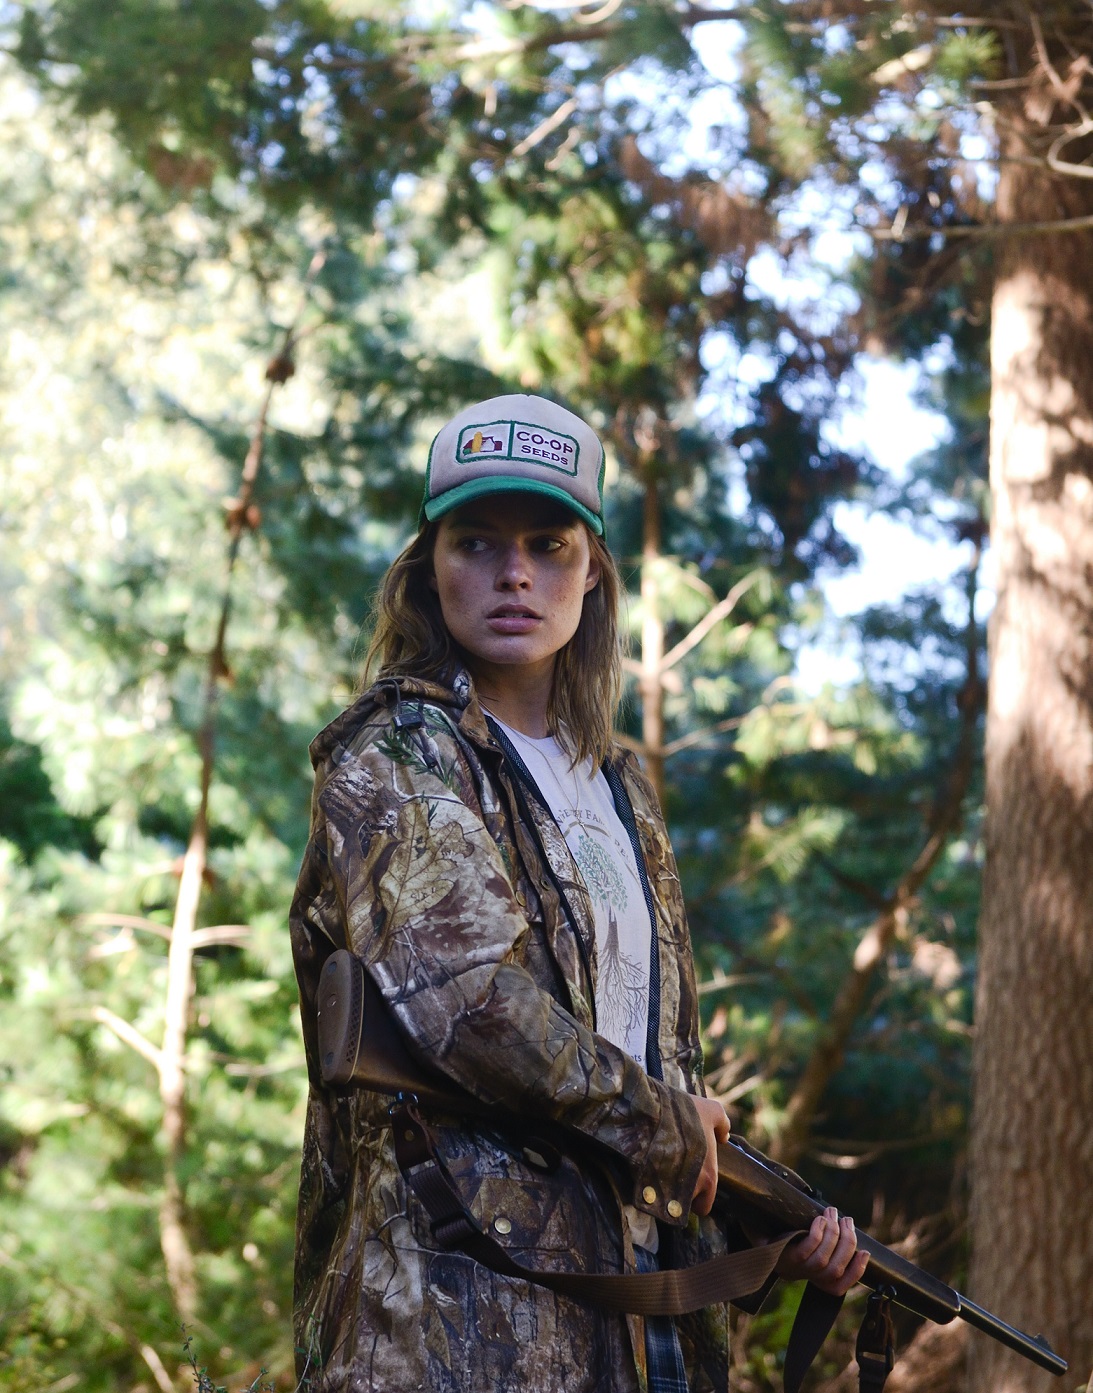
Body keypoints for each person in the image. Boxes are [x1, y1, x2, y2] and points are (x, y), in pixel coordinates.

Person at [289, 394, 867, 1392]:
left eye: (547, 544)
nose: (513, 572)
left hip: (633, 1319)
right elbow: (474, 1007)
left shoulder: (620, 786)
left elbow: (649, 1062)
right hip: (451, 1318)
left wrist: (765, 1229)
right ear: (429, 567)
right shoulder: (395, 753)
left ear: (592, 568)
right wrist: (668, 1128)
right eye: (476, 541)